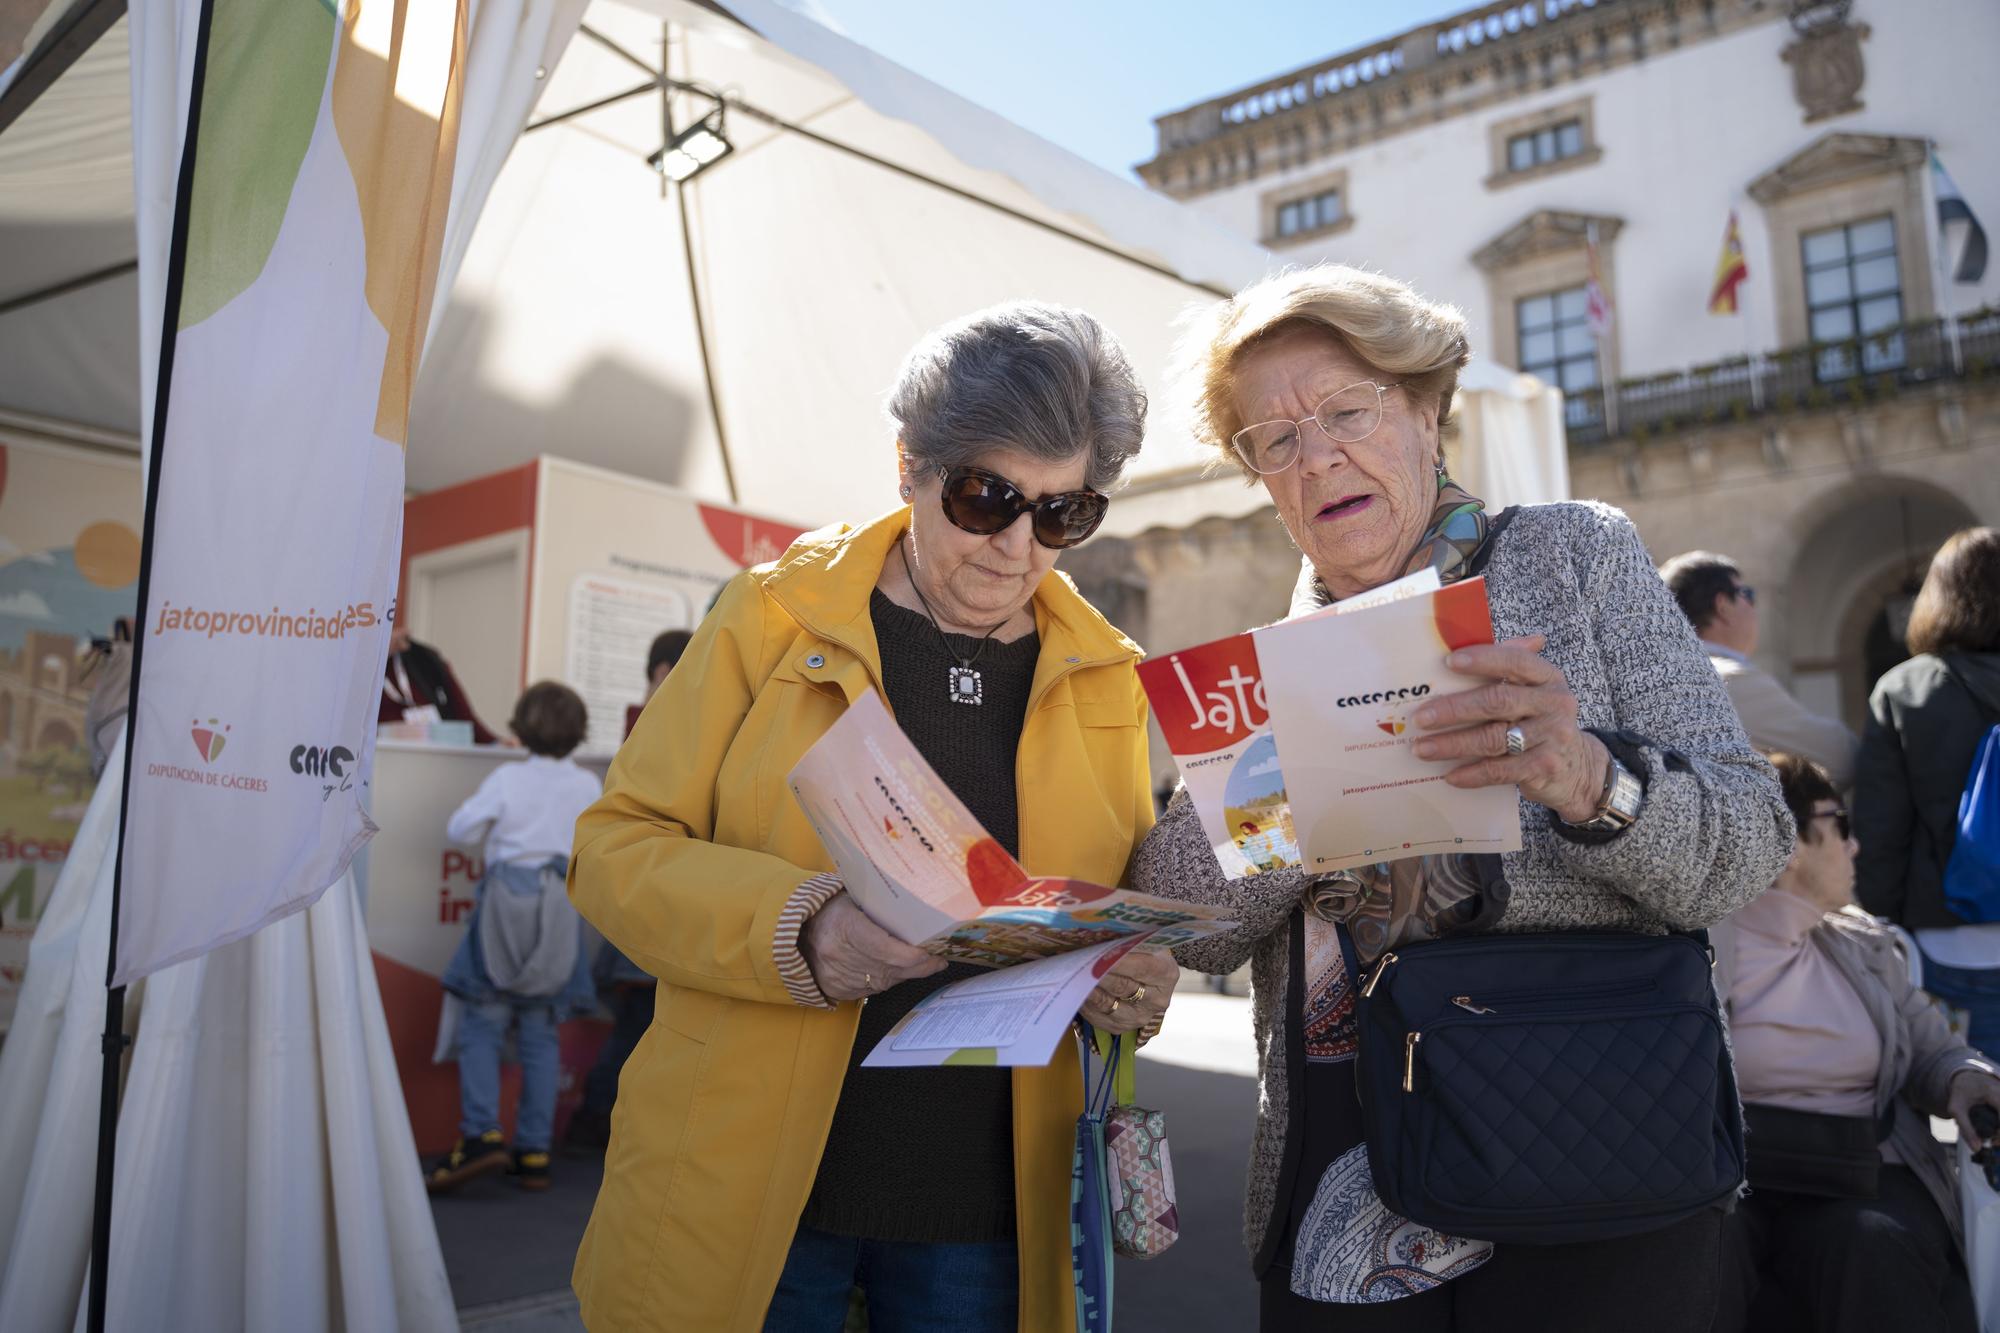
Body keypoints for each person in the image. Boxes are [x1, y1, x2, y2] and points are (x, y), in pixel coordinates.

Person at [1129, 264, 1794, 1331]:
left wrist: (1588, 779)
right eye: (1275, 440)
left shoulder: (1577, 555)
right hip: (1347, 1173)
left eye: (1346, 411)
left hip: (1598, 1135)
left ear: (1427, 409)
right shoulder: (1271, 667)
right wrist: (1299, 786)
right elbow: (1188, 925)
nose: (1316, 457)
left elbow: (1750, 843)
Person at [567, 301, 1177, 1331]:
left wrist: (1130, 975)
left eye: (1063, 513)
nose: (1018, 546)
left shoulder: (1104, 671)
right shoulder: (768, 617)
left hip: (984, 1215)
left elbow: (1101, 905)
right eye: (985, 498)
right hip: (749, 1192)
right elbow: (613, 852)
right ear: (908, 464)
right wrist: (800, 929)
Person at [1713, 751, 2000, 1333]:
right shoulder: (1699, 949)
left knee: (1872, 1245)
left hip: (1861, 1172)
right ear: (1786, 841)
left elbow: (1934, 1050)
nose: (1855, 846)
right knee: (1698, 1254)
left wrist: (1968, 1078)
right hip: (1729, 1180)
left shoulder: (1865, 944)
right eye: (1839, 824)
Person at [425, 681, 602, 1194]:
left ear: (521, 727)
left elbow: (460, 830)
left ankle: (481, 1134)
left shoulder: (508, 778)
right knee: (541, 1031)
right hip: (559, 903)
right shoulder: (588, 784)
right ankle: (534, 1152)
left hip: (508, 901)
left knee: (482, 1018)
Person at [1856, 528, 2000, 1055]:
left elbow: (1881, 829)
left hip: (1952, 943)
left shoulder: (1907, 690)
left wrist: (1880, 927)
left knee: (1978, 1112)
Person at [568, 628, 696, 1150]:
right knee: (634, 1031)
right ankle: (594, 1120)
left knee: (642, 1029)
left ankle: (600, 1121)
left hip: (668, 909)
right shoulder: (657, 723)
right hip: (657, 910)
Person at [1658, 550, 1858, 787]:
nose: (1754, 607)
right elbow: (1841, 755)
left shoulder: (1663, 675)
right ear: (1722, 605)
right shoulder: (1732, 679)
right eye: (1747, 595)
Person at [380, 623, 499, 744]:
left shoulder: (424, 658)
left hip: (433, 751)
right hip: (382, 753)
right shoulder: (363, 665)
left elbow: (462, 711)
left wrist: (495, 743)